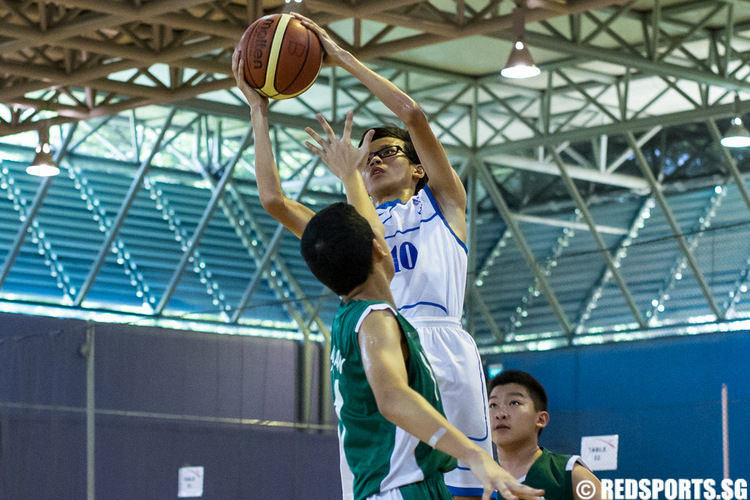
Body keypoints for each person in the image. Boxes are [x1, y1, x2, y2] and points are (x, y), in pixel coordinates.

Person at [293, 12, 494, 500]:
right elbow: (278, 201)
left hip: (445, 343)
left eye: (386, 151)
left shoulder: (444, 205)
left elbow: (413, 115)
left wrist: (341, 58)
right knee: (392, 484)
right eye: (365, 157)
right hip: (387, 341)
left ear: (420, 170)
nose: (375, 159)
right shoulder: (361, 225)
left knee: (472, 486)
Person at [300, 202, 545, 500]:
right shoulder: (375, 319)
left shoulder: (346, 319)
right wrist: (475, 456)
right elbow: (392, 398)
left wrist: (351, 174)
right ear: (380, 249)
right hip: (399, 487)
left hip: (413, 483)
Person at [488, 369, 602, 500]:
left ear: (541, 419)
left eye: (514, 403)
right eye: (493, 405)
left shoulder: (571, 475)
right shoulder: (475, 479)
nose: (500, 413)